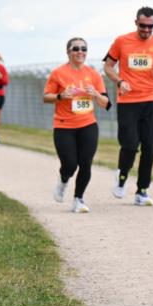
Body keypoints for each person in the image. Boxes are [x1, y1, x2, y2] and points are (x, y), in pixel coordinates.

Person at [102, 5, 153, 206]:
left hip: (151, 100)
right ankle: (122, 176)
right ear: (136, 23)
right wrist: (118, 81)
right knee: (130, 144)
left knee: (150, 146)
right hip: (128, 101)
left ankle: (142, 191)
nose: (147, 30)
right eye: (143, 26)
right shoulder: (121, 41)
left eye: (151, 26)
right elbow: (108, 66)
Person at [43, 37, 111, 213]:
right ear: (68, 52)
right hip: (64, 125)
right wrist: (60, 96)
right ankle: (64, 179)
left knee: (86, 163)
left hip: (87, 123)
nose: (80, 52)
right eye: (76, 48)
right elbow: (46, 97)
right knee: (70, 164)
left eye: (84, 49)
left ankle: (78, 199)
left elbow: (107, 104)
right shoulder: (58, 73)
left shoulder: (94, 74)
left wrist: (96, 94)